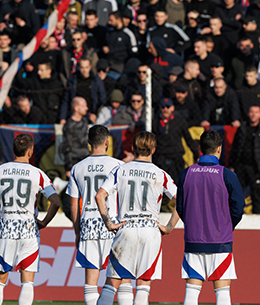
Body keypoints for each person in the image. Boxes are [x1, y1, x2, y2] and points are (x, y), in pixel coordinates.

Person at [95, 131, 180, 305]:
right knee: (143, 286)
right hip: (150, 229)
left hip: (127, 226)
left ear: (133, 148)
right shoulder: (160, 173)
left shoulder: (121, 169)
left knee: (111, 284)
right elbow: (181, 200)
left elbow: (100, 195)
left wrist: (109, 223)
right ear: (153, 150)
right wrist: (169, 226)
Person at [0, 134, 61, 305]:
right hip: (28, 228)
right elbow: (55, 202)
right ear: (30, 151)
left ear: (14, 150)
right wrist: (44, 222)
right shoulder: (38, 173)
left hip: (7, 227)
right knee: (27, 280)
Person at [176, 129, 245, 305]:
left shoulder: (186, 173)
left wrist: (193, 225)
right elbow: (238, 208)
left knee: (191, 293)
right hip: (221, 241)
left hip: (193, 240)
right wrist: (226, 226)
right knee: (222, 293)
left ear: (200, 148)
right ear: (219, 149)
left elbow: (180, 207)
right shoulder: (227, 174)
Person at [68, 125, 129, 305]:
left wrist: (77, 231)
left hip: (89, 225)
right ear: (106, 142)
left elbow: (73, 204)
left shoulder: (77, 168)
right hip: (114, 225)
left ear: (89, 142)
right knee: (123, 278)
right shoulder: (119, 165)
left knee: (91, 281)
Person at [229, 105, 260, 214]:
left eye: (256, 112)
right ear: (248, 114)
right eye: (251, 112)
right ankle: (236, 218)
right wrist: (231, 166)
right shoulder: (242, 128)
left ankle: (257, 221)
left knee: (256, 195)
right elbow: (235, 148)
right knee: (237, 194)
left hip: (257, 167)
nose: (253, 114)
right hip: (241, 166)